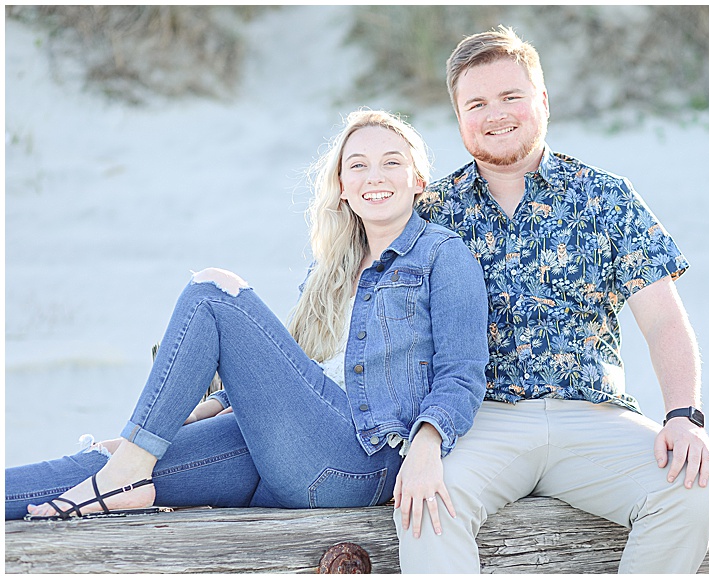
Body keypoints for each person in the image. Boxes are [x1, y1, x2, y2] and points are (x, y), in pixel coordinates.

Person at [6, 109, 489, 527]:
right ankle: (123, 469)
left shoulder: (442, 255)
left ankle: (127, 468)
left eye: (391, 163)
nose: (374, 176)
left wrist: (426, 447)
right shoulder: (331, 272)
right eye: (357, 165)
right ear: (342, 187)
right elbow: (289, 376)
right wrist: (193, 412)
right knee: (96, 465)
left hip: (358, 460)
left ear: (419, 179)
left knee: (213, 292)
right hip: (286, 451)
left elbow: (462, 375)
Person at [393, 26, 709, 573]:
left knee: (692, 490)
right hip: (482, 419)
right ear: (458, 117)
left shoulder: (607, 197)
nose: (495, 113)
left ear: (542, 101)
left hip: (593, 415)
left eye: (510, 96)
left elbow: (664, 320)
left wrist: (684, 417)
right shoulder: (430, 213)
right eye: (476, 103)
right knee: (427, 503)